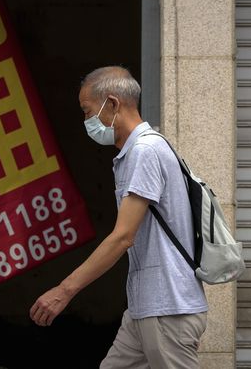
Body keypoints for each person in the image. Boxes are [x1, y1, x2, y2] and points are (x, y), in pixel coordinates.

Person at [29, 65, 208, 368]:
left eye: (88, 112)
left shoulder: (145, 151)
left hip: (166, 308)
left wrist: (64, 290)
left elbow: (123, 236)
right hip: (145, 307)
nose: (86, 122)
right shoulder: (139, 151)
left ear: (112, 104)